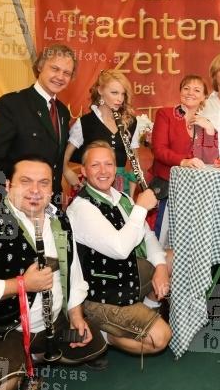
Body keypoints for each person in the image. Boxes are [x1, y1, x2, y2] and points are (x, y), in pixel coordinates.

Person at [0, 156, 106, 390]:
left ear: (52, 188)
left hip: (48, 324)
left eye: (44, 183)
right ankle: (3, 361)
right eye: (26, 181)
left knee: (93, 343)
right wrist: (22, 284)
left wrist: (76, 315)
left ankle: (29, 356)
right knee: (2, 383)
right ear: (8, 186)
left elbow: (74, 273)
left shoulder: (60, 221)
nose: (35, 191)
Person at [66, 141, 172, 356]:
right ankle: (107, 336)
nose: (103, 171)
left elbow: (148, 235)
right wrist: (141, 207)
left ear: (116, 169)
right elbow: (120, 249)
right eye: (95, 165)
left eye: (108, 164)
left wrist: (160, 267)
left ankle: (149, 309)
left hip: (129, 280)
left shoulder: (121, 198)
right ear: (84, 172)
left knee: (172, 259)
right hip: (102, 297)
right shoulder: (81, 208)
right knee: (160, 339)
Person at [0, 44, 76, 209]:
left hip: (48, 204)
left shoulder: (63, 112)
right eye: (55, 69)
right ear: (40, 66)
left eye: (66, 73)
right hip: (14, 202)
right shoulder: (12, 104)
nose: (60, 76)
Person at [151, 75, 217, 243]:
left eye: (197, 90)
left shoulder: (204, 122)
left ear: (204, 97)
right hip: (167, 186)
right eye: (186, 88)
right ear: (180, 92)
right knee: (161, 238)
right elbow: (159, 150)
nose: (190, 93)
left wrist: (209, 130)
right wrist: (184, 162)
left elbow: (209, 159)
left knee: (187, 241)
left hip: (194, 191)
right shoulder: (166, 114)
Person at [63, 69, 140, 197]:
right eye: (114, 93)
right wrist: (67, 172)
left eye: (123, 94)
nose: (119, 99)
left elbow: (135, 165)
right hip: (91, 188)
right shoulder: (85, 122)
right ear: (100, 90)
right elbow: (64, 157)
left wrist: (131, 198)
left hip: (121, 189)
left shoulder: (130, 122)